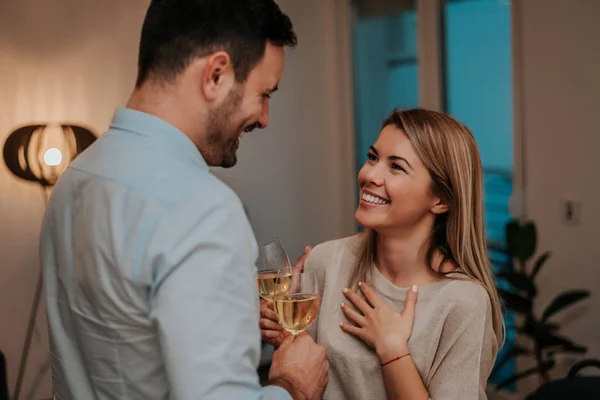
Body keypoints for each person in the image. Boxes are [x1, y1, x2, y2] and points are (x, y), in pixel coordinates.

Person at [39, 1, 328, 399]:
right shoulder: (202, 210)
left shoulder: (76, 177)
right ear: (216, 75)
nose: (265, 117)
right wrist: (293, 386)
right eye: (264, 94)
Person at [260, 108, 504, 399]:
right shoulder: (326, 262)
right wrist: (285, 337)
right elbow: (306, 382)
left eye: (396, 167)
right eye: (373, 157)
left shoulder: (463, 302)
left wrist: (392, 350)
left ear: (441, 199)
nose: (369, 175)